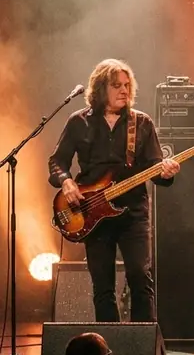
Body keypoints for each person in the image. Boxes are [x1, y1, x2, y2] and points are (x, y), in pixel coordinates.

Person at [48, 59, 179, 322]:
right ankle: (110, 351)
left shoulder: (141, 123)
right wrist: (67, 181)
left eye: (127, 85)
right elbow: (57, 161)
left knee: (140, 278)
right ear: (99, 89)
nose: (124, 91)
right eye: (116, 85)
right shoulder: (78, 122)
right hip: (91, 213)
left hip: (132, 214)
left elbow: (155, 168)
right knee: (103, 287)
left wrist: (165, 172)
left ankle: (143, 350)